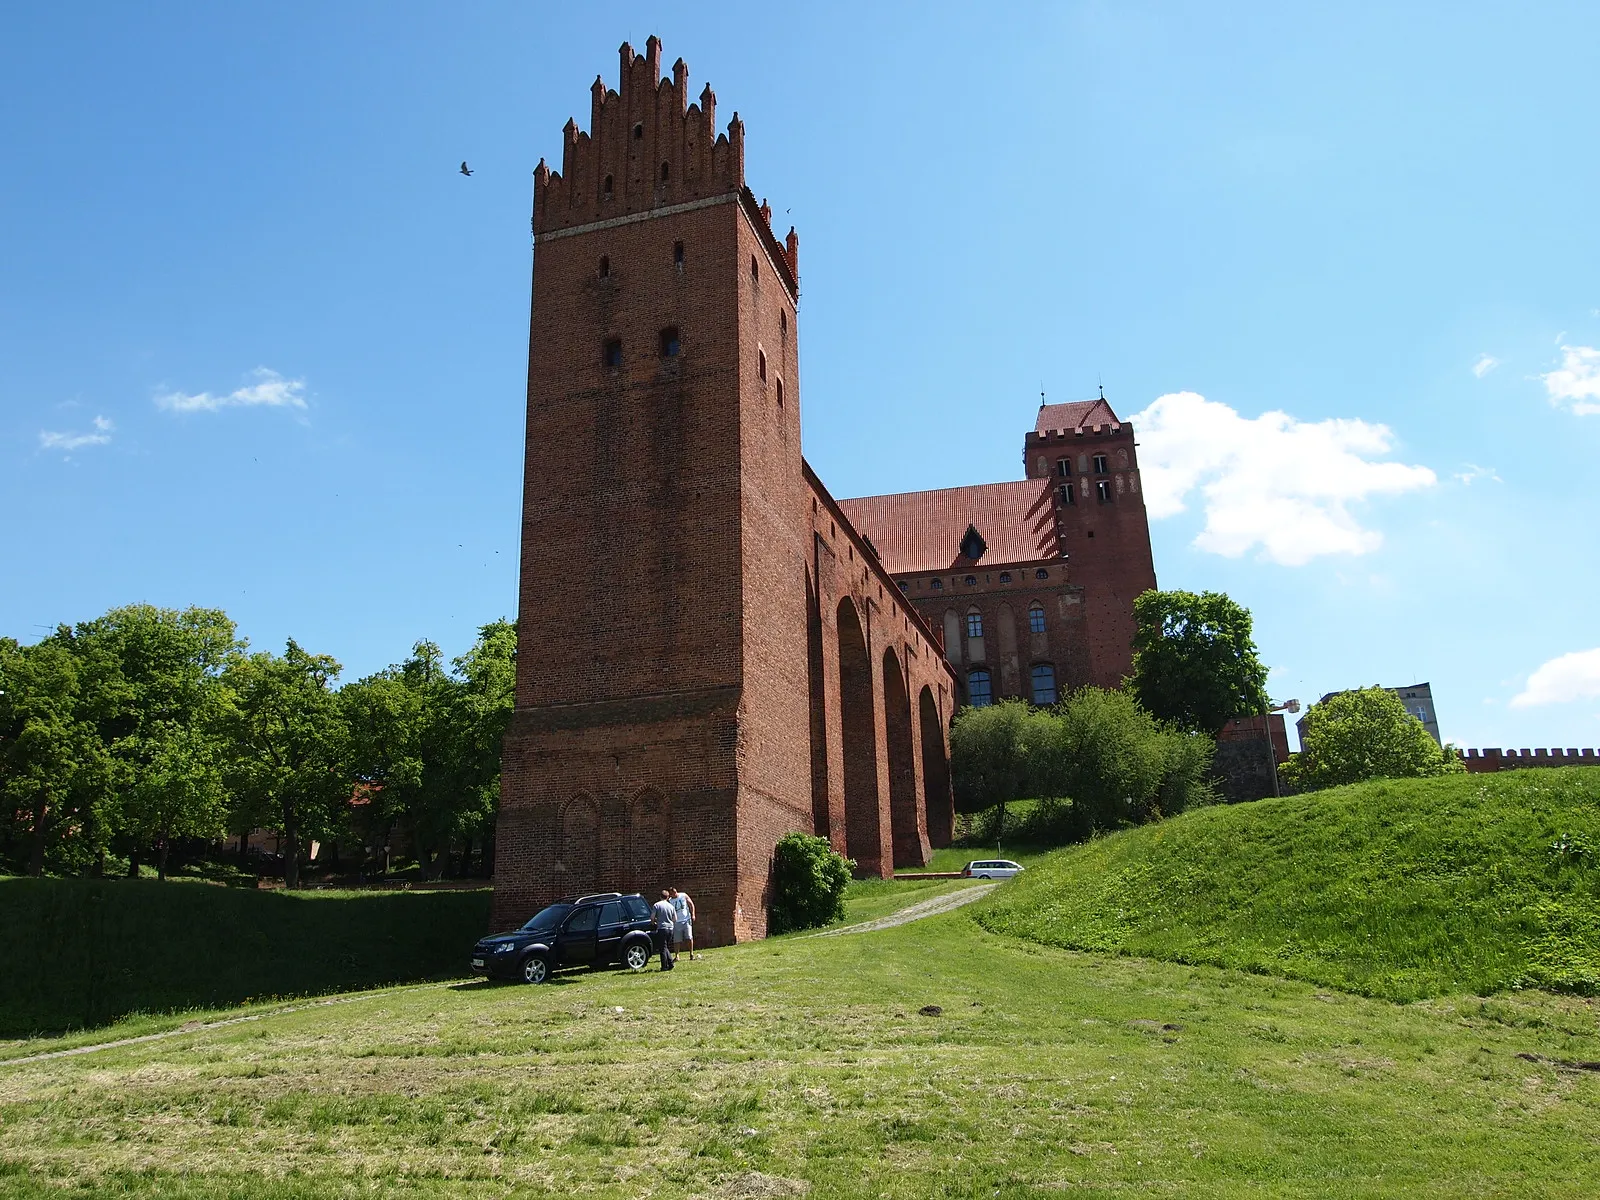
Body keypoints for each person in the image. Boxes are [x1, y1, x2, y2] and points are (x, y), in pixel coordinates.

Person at [650, 890, 677, 971]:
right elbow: (675, 919)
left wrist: (654, 923)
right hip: (670, 929)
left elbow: (652, 917)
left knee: (662, 948)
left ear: (660, 896)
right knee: (665, 947)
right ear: (668, 897)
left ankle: (664, 966)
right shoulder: (671, 906)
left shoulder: (657, 905)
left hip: (662, 928)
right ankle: (670, 964)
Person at [669, 886, 698, 960]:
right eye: (672, 894)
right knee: (677, 940)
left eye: (674, 893)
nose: (674, 895)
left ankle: (691, 954)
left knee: (689, 937)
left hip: (686, 920)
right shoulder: (670, 901)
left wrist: (693, 914)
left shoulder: (683, 895)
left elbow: (691, 904)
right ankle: (677, 956)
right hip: (676, 922)